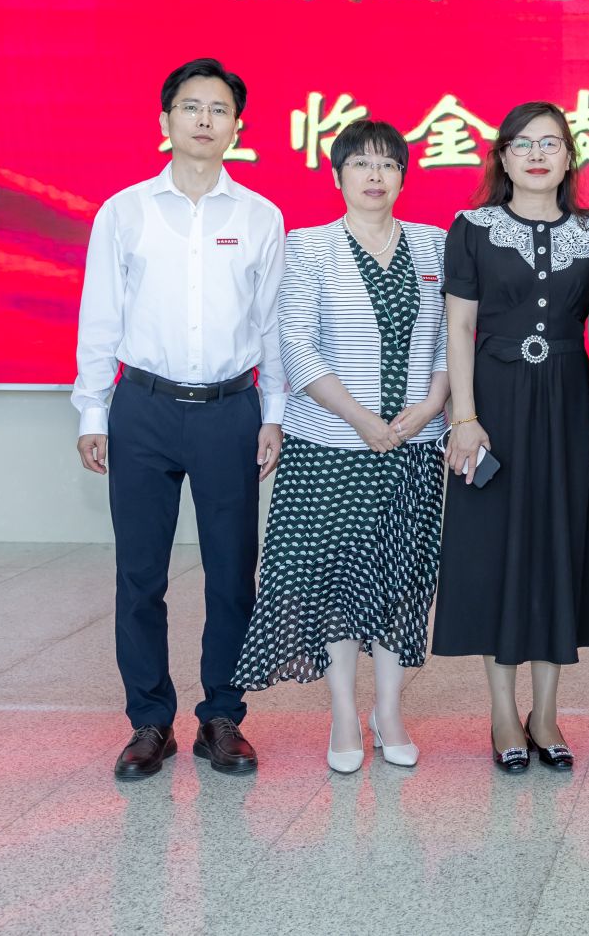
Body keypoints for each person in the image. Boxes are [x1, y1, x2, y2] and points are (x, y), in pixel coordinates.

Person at [73, 57, 285, 780]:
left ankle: (222, 716)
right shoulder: (124, 211)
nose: (204, 119)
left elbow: (271, 327)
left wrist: (274, 413)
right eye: (191, 106)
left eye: (219, 109)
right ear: (165, 120)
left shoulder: (260, 217)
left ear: (237, 127)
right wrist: (92, 410)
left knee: (231, 574)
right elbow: (100, 316)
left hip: (230, 410)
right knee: (140, 575)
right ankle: (149, 722)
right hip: (144, 408)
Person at [231, 120, 450, 774]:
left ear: (404, 175)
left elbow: (451, 339)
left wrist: (431, 406)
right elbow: (295, 345)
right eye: (360, 163)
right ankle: (344, 715)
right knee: (335, 583)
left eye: (388, 164)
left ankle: (389, 712)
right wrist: (360, 419)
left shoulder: (435, 244)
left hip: (413, 445)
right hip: (329, 445)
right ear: (337, 175)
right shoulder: (309, 246)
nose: (375, 175)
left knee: (400, 580)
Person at [435, 102, 589, 772]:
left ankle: (545, 712)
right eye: (522, 144)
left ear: (570, 157)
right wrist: (464, 417)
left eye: (551, 143)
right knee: (497, 554)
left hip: (569, 403)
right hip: (495, 405)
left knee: (556, 551)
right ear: (502, 158)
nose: (537, 155)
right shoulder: (472, 229)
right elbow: (459, 327)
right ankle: (503, 714)